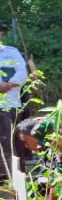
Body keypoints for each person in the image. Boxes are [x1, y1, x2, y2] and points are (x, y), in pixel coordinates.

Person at [0, 23, 28, 181]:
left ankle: (13, 175)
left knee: (10, 140)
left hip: (9, 104)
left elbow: (22, 73)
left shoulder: (11, 52)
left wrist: (6, 85)